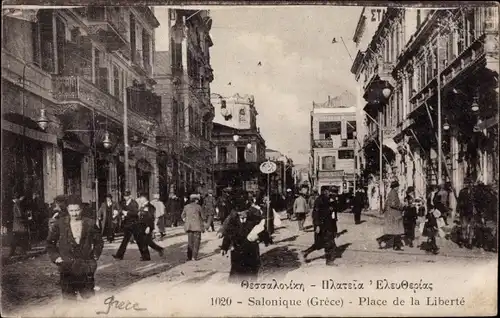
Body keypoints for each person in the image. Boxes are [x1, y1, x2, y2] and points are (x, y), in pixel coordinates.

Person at [46, 195, 103, 301]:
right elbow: (50, 243)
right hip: (66, 267)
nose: (74, 213)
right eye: (71, 211)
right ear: (67, 209)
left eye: (77, 210)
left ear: (81, 208)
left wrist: (94, 256)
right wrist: (56, 257)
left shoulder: (89, 223)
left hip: (85, 267)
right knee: (69, 300)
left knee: (89, 299)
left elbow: (99, 241)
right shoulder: (60, 224)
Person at [221, 198, 272, 283]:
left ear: (247, 211)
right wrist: (224, 247)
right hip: (238, 249)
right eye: (239, 213)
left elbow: (264, 231)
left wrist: (260, 237)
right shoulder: (233, 221)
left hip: (251, 249)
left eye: (242, 212)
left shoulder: (255, 219)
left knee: (252, 270)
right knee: (237, 271)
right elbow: (228, 234)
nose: (240, 214)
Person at [302, 187, 337, 265]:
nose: (330, 193)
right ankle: (329, 261)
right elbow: (316, 214)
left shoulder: (329, 200)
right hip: (322, 225)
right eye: (328, 191)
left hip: (328, 225)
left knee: (323, 243)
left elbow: (332, 214)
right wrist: (317, 225)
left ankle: (305, 252)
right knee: (327, 244)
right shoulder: (319, 200)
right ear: (324, 192)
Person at [113, 190, 147, 260]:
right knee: (125, 240)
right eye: (124, 196)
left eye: (127, 196)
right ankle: (119, 255)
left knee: (139, 240)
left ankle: (145, 256)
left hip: (134, 224)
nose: (125, 197)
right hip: (127, 224)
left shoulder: (134, 203)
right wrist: (121, 214)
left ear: (130, 196)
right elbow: (121, 210)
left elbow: (135, 213)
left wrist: (127, 213)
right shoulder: (124, 203)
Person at [137, 193, 165, 260]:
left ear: (144, 198)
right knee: (145, 241)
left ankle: (158, 249)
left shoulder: (150, 206)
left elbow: (151, 217)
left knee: (147, 241)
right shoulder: (143, 206)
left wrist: (149, 227)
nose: (140, 200)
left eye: (140, 198)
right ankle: (147, 256)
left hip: (147, 226)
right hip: (142, 225)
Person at [381, 181, 405, 251]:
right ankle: (383, 240)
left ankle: (396, 246)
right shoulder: (393, 193)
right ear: (396, 187)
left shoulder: (392, 192)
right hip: (394, 215)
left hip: (393, 214)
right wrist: (401, 206)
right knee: (396, 231)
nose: (398, 188)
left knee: (396, 231)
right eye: (398, 186)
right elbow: (393, 204)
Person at [181, 194, 206, 261]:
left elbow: (182, 216)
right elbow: (203, 216)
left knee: (190, 242)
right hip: (197, 226)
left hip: (189, 226)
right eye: (197, 200)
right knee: (197, 242)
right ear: (195, 200)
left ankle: (189, 257)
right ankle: (194, 257)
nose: (198, 201)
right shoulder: (199, 207)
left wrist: (186, 221)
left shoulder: (186, 206)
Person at [9, 191, 32, 257]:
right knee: (20, 237)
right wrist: (27, 216)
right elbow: (19, 215)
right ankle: (19, 252)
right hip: (19, 224)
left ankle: (15, 252)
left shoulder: (17, 204)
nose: (22, 200)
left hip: (18, 224)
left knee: (17, 238)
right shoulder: (16, 204)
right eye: (22, 198)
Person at [456, 177, 476, 249]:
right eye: (467, 183)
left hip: (472, 212)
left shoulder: (475, 192)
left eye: (471, 183)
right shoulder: (462, 191)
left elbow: (477, 202)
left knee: (471, 227)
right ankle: (463, 241)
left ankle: (470, 242)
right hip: (463, 212)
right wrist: (457, 211)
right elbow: (458, 202)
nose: (469, 184)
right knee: (463, 227)